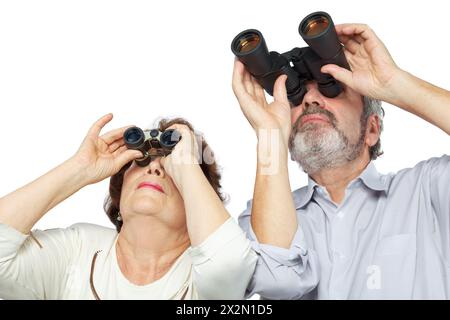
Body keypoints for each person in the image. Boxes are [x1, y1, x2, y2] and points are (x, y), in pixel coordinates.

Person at [232, 22, 450, 299]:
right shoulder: (261, 212)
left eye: (331, 88)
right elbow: (276, 280)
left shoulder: (427, 191)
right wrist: (270, 137)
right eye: (295, 96)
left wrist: (395, 84)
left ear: (372, 129)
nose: (311, 98)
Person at [0, 114, 257, 299]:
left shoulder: (202, 276)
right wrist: (79, 169)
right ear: (120, 191)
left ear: (197, 197)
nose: (155, 167)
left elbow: (230, 263)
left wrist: (187, 164)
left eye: (170, 165)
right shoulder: (79, 250)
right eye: (143, 159)